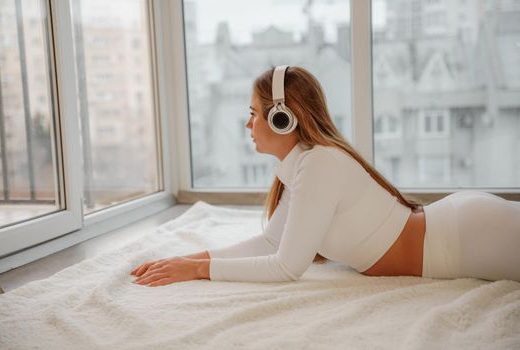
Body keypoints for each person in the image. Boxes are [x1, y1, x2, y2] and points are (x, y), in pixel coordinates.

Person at [131, 65, 520, 287]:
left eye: (254, 112)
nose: (247, 122)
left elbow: (286, 266)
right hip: (457, 231)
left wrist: (199, 270)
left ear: (282, 118)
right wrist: (186, 260)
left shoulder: (319, 165)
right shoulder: (303, 165)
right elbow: (271, 241)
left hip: (463, 238)